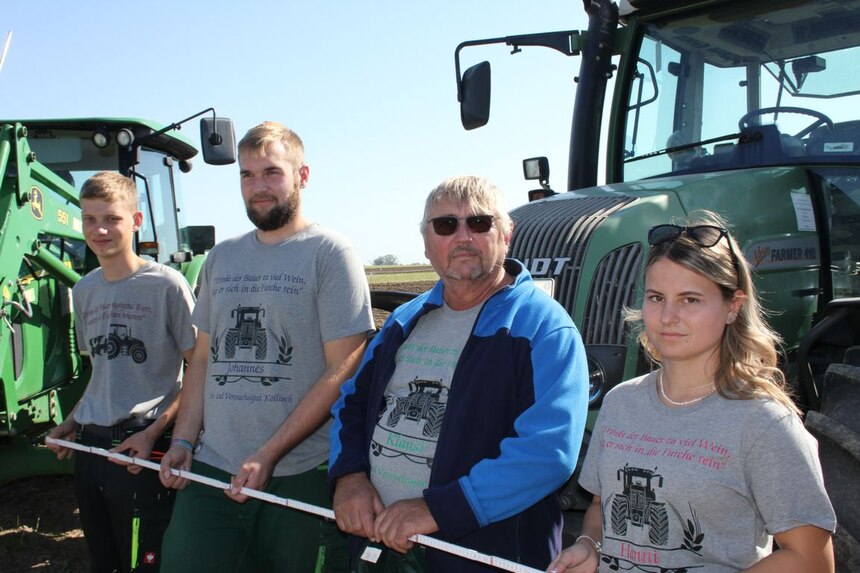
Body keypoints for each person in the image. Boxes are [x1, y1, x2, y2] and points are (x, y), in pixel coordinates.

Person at [547, 211, 836, 573]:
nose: (667, 316)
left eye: (690, 300)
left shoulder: (763, 422)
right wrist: (590, 546)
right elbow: (599, 509)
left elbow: (811, 560)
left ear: (733, 306)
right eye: (656, 297)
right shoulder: (621, 402)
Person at [329, 175, 590, 572]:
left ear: (506, 234)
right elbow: (352, 403)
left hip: (480, 558)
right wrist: (349, 477)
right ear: (426, 243)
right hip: (383, 547)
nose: (463, 236)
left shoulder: (542, 329)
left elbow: (547, 453)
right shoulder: (403, 322)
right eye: (446, 225)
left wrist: (438, 510)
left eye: (480, 223)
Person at [158, 121, 374, 573]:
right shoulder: (221, 257)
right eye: (247, 175)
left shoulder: (330, 253)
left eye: (272, 172)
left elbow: (345, 367)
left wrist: (270, 452)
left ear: (303, 176)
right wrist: (182, 439)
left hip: (298, 473)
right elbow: (202, 359)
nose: (258, 187)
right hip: (212, 468)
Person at [46, 171, 196, 573]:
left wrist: (153, 432)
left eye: (111, 218)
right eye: (90, 219)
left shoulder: (167, 285)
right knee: (104, 560)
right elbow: (102, 374)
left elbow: (199, 369)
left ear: (135, 221)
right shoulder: (84, 291)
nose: (99, 229)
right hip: (91, 449)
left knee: (144, 561)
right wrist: (71, 423)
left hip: (143, 446)